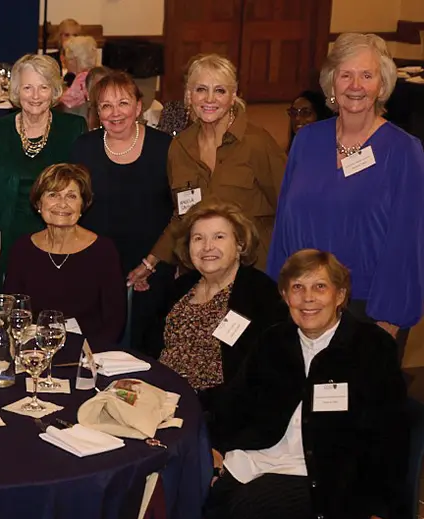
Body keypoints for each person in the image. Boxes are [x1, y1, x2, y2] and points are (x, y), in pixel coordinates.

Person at [206, 249, 405, 519]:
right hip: (270, 456)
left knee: (243, 507)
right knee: (206, 495)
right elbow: (236, 400)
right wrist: (215, 445)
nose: (308, 298)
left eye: (320, 287)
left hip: (331, 476)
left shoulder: (371, 347)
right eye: (298, 288)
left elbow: (392, 433)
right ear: (285, 295)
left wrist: (380, 507)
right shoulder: (275, 340)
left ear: (340, 295)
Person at [268, 33, 424, 358]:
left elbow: (407, 242)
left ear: (382, 86)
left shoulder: (404, 151)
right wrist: (279, 292)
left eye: (367, 75)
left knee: (360, 405)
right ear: (331, 84)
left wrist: (389, 319)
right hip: (303, 302)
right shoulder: (307, 140)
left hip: (365, 307)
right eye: (346, 74)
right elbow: (284, 221)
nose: (356, 85)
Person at [129, 54, 286, 288]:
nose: (210, 99)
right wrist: (150, 262)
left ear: (233, 96)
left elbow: (288, 207)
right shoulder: (180, 147)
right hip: (200, 272)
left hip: (253, 273)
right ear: (189, 96)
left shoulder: (256, 143)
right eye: (201, 89)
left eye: (220, 91)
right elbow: (182, 215)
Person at [145, 202, 287, 412]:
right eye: (198, 238)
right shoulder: (179, 288)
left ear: (240, 245)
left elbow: (264, 375)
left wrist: (195, 403)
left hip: (219, 413)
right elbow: (148, 347)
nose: (207, 246)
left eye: (219, 237)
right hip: (156, 400)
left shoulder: (261, 294)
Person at [71, 71, 174, 350]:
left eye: (123, 103)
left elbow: (182, 213)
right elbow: (72, 209)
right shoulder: (83, 148)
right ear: (97, 111)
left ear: (139, 107)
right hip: (94, 267)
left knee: (146, 349)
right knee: (97, 349)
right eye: (106, 106)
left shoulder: (165, 148)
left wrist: (150, 263)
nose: (115, 113)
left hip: (154, 267)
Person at [0, 54, 85, 292]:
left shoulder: (73, 129)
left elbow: (81, 191)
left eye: (43, 87)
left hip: (56, 238)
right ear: (16, 90)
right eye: (27, 87)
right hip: (2, 240)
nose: (35, 96)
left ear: (54, 90)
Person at [4, 163, 125, 347]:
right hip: (35, 351)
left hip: (88, 353)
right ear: (39, 203)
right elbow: (13, 314)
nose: (62, 204)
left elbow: (113, 322)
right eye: (53, 195)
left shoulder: (103, 251)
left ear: (82, 205)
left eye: (71, 196)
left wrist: (83, 357)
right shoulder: (22, 249)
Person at [58, 36, 99, 111]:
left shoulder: (82, 78)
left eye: (68, 59)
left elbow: (67, 101)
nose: (66, 62)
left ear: (75, 60)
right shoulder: (95, 74)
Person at [48, 18, 82, 86]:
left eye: (75, 35)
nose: (71, 38)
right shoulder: (49, 59)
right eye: (66, 35)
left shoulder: (82, 60)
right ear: (59, 37)